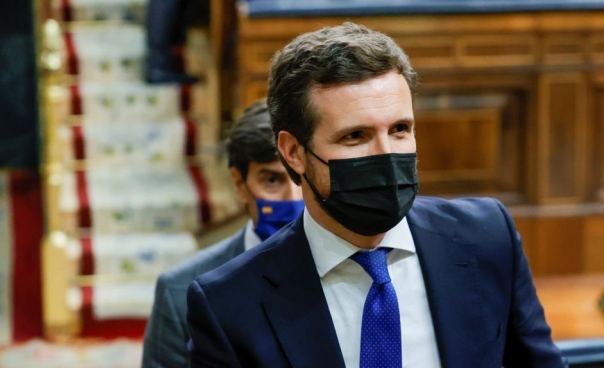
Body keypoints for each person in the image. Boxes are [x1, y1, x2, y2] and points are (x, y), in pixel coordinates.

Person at [186, 22, 565, 367]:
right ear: (293, 152)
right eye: (355, 136)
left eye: (400, 129)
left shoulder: (486, 237)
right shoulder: (229, 305)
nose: (386, 155)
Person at [141, 100, 303, 367]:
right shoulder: (180, 290)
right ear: (240, 185)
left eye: (301, 177)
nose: (294, 199)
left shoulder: (362, 267)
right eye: (272, 181)